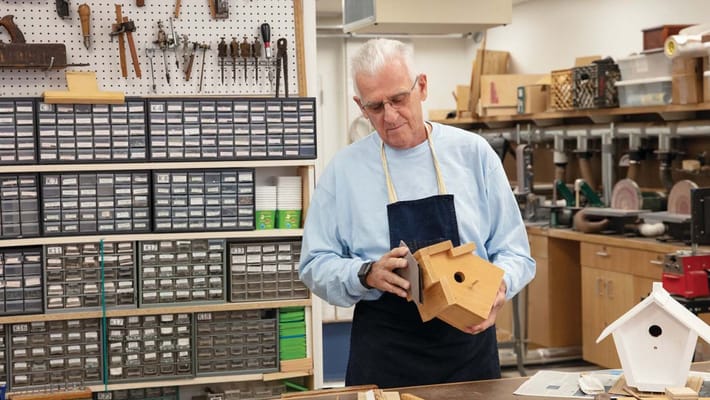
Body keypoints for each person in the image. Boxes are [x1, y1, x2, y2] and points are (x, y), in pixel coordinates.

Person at [298, 38, 535, 389]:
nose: (390, 117)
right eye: (375, 107)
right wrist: (364, 273)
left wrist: (499, 286)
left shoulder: (473, 155)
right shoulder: (344, 171)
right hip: (386, 355)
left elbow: (516, 253)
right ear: (359, 106)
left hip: (468, 351)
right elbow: (314, 264)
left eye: (398, 99)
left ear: (421, 86)